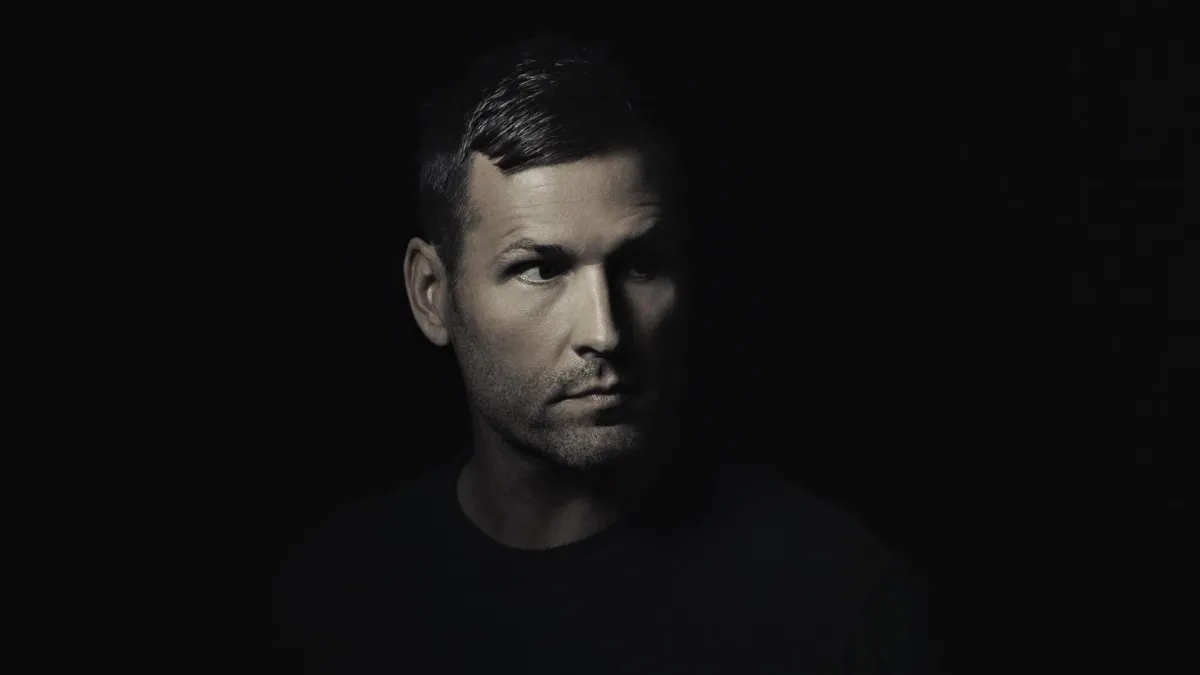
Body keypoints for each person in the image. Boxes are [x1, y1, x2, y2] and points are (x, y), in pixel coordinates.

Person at [270, 33, 935, 674]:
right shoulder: (333, 597)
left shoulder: (837, 605)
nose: (606, 330)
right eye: (540, 269)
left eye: (639, 264)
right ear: (432, 295)